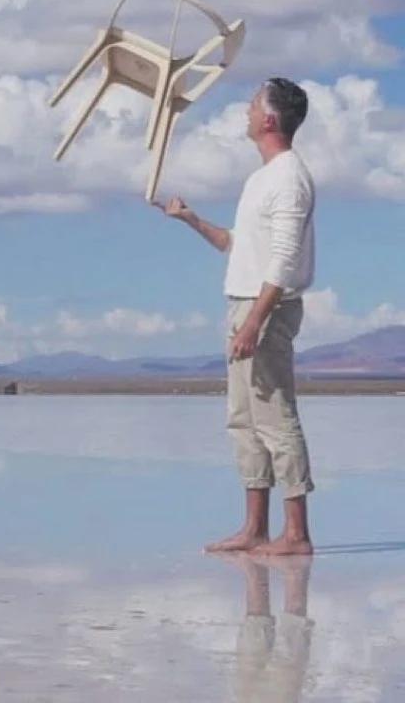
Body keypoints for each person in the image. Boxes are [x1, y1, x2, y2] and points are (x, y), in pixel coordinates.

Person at [155, 77, 316, 556]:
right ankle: (254, 528)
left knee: (275, 415)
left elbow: (283, 260)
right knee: (244, 420)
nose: (245, 111)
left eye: (251, 105)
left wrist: (253, 322)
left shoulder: (289, 177)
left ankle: (296, 534)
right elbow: (236, 245)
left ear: (269, 119)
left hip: (266, 307)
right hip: (244, 302)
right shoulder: (260, 179)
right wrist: (191, 220)